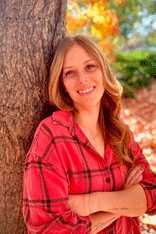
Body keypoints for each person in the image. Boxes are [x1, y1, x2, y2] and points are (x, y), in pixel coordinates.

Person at [23, 35, 156, 234]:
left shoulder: (121, 133)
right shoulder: (52, 136)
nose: (82, 79)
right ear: (63, 85)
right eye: (70, 73)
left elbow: (152, 194)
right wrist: (124, 201)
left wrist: (91, 203)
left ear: (103, 71)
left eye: (90, 67)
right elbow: (50, 228)